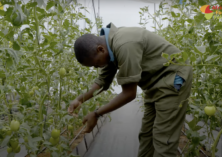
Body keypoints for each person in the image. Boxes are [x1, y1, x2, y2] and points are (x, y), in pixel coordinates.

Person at [67, 22, 192, 157]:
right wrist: (80, 99)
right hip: (154, 84)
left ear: (100, 49)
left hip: (173, 78)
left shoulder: (124, 45)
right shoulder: (109, 47)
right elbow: (102, 81)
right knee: (146, 135)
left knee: (164, 139)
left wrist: (96, 114)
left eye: (96, 64)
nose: (97, 68)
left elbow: (129, 94)